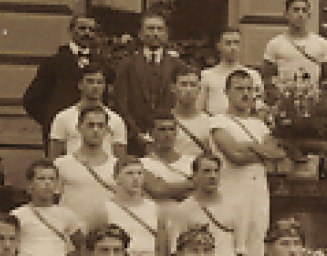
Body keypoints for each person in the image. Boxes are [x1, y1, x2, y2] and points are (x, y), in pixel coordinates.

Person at [211, 69, 284, 256]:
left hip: (258, 196)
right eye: (239, 89)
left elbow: (276, 154)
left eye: (249, 89)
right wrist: (259, 149)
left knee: (255, 249)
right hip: (231, 194)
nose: (245, 94)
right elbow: (234, 155)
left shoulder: (260, 125)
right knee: (230, 252)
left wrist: (249, 148)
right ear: (226, 92)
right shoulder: (218, 122)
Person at [160, 154, 247, 256]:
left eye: (216, 171)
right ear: (195, 175)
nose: (212, 176)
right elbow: (175, 251)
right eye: (206, 171)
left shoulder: (235, 207)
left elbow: (240, 249)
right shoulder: (183, 209)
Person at [22, 14, 101, 152]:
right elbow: (31, 100)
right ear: (71, 30)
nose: (87, 33)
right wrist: (51, 120)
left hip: (93, 133)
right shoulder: (54, 63)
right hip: (62, 135)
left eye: (91, 30)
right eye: (82, 28)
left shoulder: (101, 64)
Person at [11, 159, 86, 256]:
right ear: (30, 184)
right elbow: (10, 246)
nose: (47, 183)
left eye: (51, 179)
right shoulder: (18, 215)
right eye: (41, 178)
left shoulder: (66, 215)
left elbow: (82, 246)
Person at [113, 13, 182, 148]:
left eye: (159, 29)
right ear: (140, 33)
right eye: (150, 29)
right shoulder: (127, 64)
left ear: (166, 34)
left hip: (168, 139)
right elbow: (120, 103)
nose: (155, 33)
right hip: (134, 139)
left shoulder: (177, 65)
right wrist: (137, 133)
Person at [101, 157, 166, 256]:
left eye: (139, 173)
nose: (136, 178)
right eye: (129, 173)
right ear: (117, 178)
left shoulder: (155, 209)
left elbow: (162, 250)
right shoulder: (105, 209)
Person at [53, 104, 121, 232]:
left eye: (100, 126)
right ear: (79, 128)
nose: (95, 130)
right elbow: (53, 203)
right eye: (90, 125)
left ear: (107, 130)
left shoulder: (117, 166)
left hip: (106, 237)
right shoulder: (61, 164)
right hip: (71, 235)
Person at [49, 65, 129, 160]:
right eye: (90, 81)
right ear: (80, 85)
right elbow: (54, 159)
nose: (95, 86)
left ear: (104, 87)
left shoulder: (116, 120)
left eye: (99, 82)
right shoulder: (62, 118)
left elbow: (121, 161)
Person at [261, 0, 327, 85]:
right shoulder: (275, 44)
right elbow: (267, 78)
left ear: (309, 15)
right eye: (296, 10)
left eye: (304, 11)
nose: (300, 14)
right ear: (286, 14)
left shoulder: (321, 43)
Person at [201, 29, 264, 116]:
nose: (233, 47)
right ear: (219, 46)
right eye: (228, 43)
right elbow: (200, 109)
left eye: (236, 43)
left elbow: (258, 106)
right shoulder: (207, 75)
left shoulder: (253, 75)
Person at [167, 64, 220, 164]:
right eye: (183, 84)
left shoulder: (210, 122)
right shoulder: (164, 121)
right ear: (173, 88)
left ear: (199, 89)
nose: (188, 90)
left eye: (193, 85)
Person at [139, 111, 196, 204]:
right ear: (151, 133)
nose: (167, 134)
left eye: (171, 129)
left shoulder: (192, 161)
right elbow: (157, 189)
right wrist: (193, 183)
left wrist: (169, 188)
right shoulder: (142, 164)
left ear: (176, 133)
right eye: (162, 129)